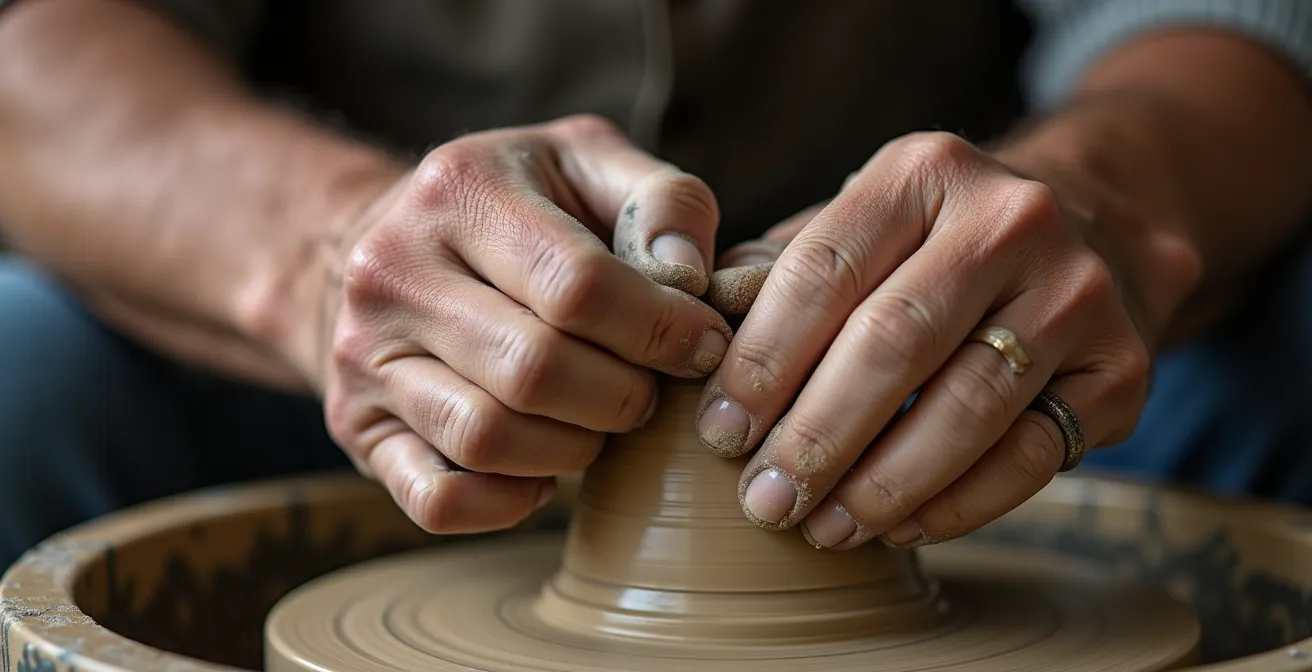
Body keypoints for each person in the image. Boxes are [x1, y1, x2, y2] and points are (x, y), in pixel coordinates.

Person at [0, 0, 1309, 568]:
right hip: (373, 386)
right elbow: (37, 60)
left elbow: (1218, 29)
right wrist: (328, 252)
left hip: (964, 400)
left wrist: (1105, 205)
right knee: (19, 370)